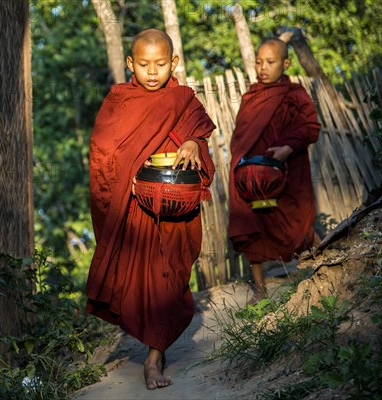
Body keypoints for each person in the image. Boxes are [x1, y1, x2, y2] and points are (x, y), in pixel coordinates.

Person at [85, 28, 216, 390]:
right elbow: (103, 150)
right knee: (142, 279)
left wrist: (192, 141)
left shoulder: (183, 98)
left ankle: (156, 354)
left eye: (161, 64)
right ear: (131, 63)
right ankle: (152, 357)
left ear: (173, 62)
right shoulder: (120, 100)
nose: (153, 71)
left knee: (172, 277)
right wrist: (122, 175)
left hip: (178, 209)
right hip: (137, 209)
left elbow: (199, 131)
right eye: (144, 64)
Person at [228, 38, 321, 304]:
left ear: (286, 63)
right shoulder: (252, 96)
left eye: (270, 62)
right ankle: (260, 290)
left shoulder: (295, 95)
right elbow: (241, 136)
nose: (262, 68)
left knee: (299, 224)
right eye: (259, 62)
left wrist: (288, 149)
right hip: (252, 177)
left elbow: (310, 127)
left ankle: (329, 264)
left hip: (286, 173)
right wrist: (240, 167)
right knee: (253, 227)